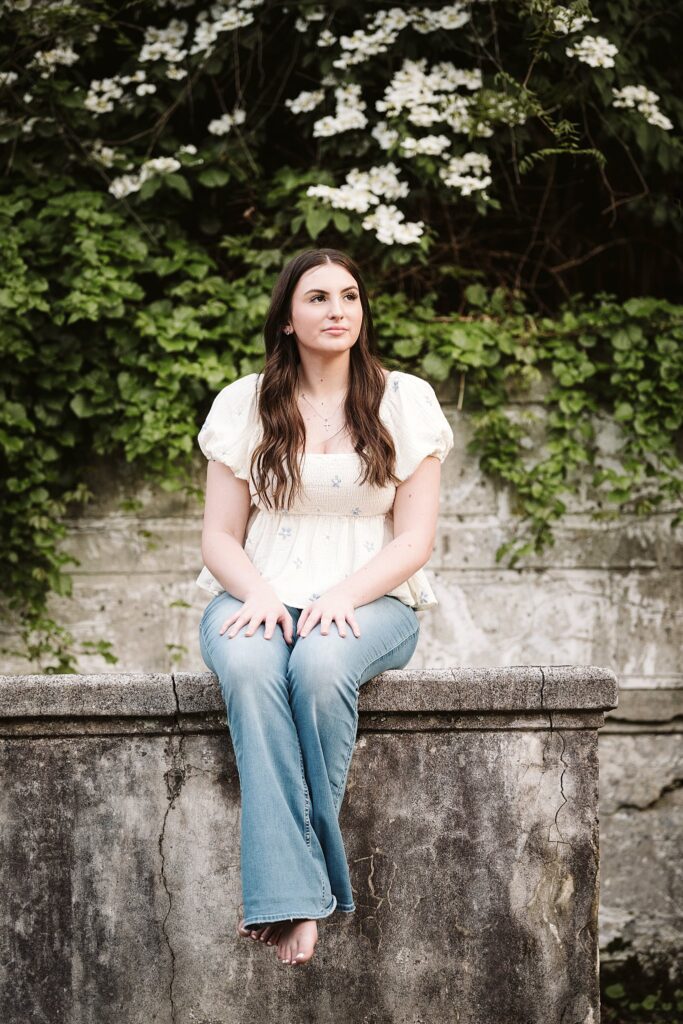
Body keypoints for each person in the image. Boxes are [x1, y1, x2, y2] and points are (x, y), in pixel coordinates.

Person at [196, 247, 454, 967]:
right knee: (249, 667)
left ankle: (294, 891)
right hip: (255, 593)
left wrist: (342, 594)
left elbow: (415, 538)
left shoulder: (404, 399)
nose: (336, 309)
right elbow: (218, 534)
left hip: (371, 601)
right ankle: (297, 896)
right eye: (316, 298)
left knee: (317, 664)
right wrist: (259, 594)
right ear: (285, 318)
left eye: (348, 296)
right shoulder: (243, 403)